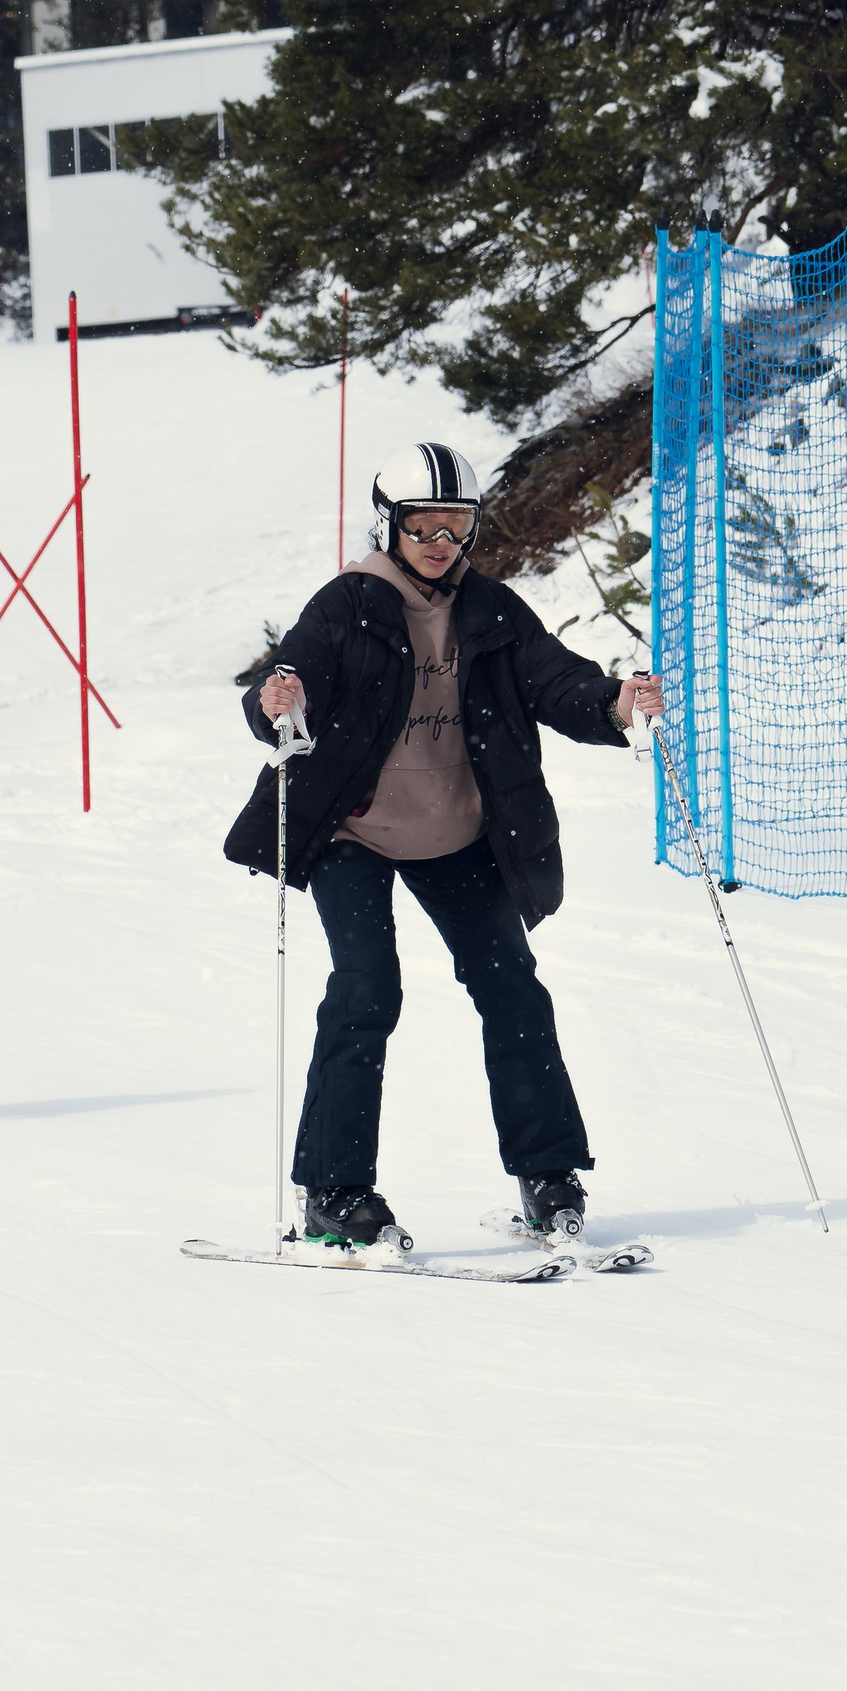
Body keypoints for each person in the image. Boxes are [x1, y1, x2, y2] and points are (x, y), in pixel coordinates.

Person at [227, 441, 662, 1253]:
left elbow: (555, 680)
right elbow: (291, 678)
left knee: (512, 988)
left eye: (456, 525)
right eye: (422, 525)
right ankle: (333, 1190)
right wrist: (274, 699)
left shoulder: (491, 609)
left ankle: (548, 1176)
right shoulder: (347, 604)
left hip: (456, 831)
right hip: (354, 828)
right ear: (388, 524)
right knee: (367, 987)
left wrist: (614, 703)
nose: (440, 542)